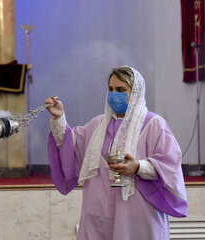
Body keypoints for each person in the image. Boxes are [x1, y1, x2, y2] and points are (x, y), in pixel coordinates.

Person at [45, 66, 187, 240]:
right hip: (98, 213)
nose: (114, 94)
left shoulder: (154, 124)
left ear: (135, 92)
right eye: (110, 89)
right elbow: (69, 146)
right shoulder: (98, 125)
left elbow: (170, 165)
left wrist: (138, 167)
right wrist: (59, 118)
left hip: (137, 214)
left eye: (120, 90)